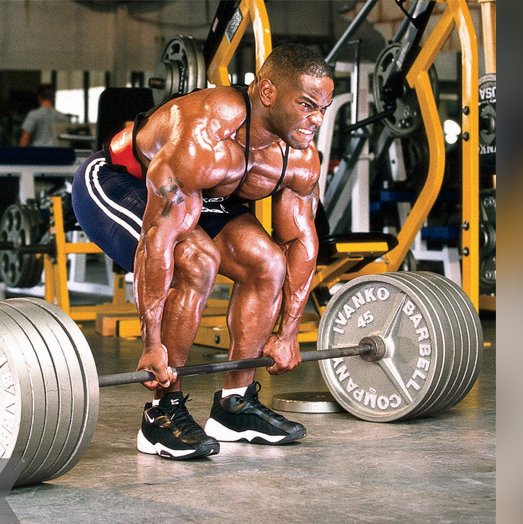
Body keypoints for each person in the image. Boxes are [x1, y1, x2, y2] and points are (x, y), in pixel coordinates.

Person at [71, 44, 333, 460]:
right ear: (267, 92)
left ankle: (235, 403)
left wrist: (287, 333)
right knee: (196, 261)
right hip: (126, 183)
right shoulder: (205, 131)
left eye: (323, 107)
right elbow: (160, 234)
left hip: (208, 195)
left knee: (267, 263)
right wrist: (151, 341)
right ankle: (162, 414)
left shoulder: (299, 158)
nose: (316, 119)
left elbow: (301, 241)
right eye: (306, 105)